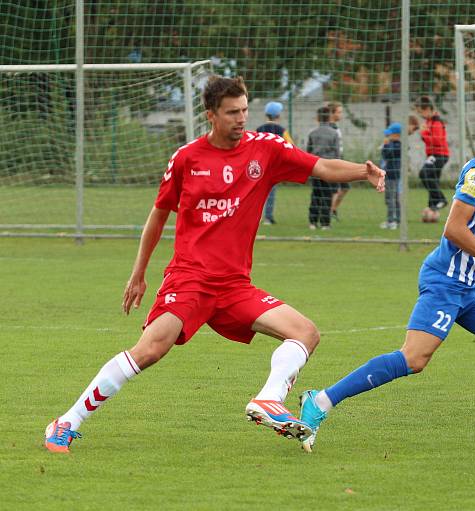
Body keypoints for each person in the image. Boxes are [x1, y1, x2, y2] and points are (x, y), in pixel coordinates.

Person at [43, 75, 385, 453]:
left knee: (306, 333)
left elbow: (320, 166)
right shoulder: (187, 158)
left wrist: (363, 171)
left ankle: (269, 400)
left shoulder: (266, 149)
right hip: (189, 279)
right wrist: (138, 273)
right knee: (150, 350)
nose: (241, 119)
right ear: (211, 115)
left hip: (235, 285)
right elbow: (157, 216)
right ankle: (66, 421)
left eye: (244, 110)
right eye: (232, 113)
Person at [297, 99, 475, 454]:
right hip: (445, 281)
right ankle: (319, 402)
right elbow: (454, 229)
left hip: (469, 289)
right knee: (414, 359)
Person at [410, 95, 449, 220]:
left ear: (427, 109)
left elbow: (437, 141)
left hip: (439, 155)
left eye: (421, 112)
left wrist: (424, 133)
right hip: (434, 155)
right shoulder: (429, 122)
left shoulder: (437, 122)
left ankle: (441, 199)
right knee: (433, 180)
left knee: (424, 174)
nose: (420, 115)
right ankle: (433, 207)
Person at [256, 101, 293, 225]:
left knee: (257, 193)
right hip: (273, 167)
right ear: (278, 116)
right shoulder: (282, 130)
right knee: (271, 193)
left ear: (266, 115)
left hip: (259, 166)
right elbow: (291, 147)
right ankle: (268, 217)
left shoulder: (259, 129)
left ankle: (256, 217)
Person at [307, 105, 341, 230]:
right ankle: (325, 223)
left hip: (315, 166)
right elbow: (337, 152)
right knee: (327, 195)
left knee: (315, 194)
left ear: (318, 118)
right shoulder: (334, 133)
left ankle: (312, 222)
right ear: (329, 117)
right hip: (329, 167)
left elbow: (308, 151)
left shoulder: (312, 133)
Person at [328, 101, 349, 220]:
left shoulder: (336, 127)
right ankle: (329, 212)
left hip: (340, 159)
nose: (341, 115)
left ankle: (333, 210)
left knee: (345, 187)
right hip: (334, 161)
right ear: (332, 113)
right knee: (334, 190)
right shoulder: (329, 127)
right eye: (339, 112)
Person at [380, 122, 402, 229]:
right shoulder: (392, 145)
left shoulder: (398, 146)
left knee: (391, 198)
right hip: (389, 174)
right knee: (391, 197)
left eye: (389, 134)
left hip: (393, 175)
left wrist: (385, 145)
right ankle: (396, 219)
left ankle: (392, 220)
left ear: (396, 135)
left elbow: (387, 155)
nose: (387, 137)